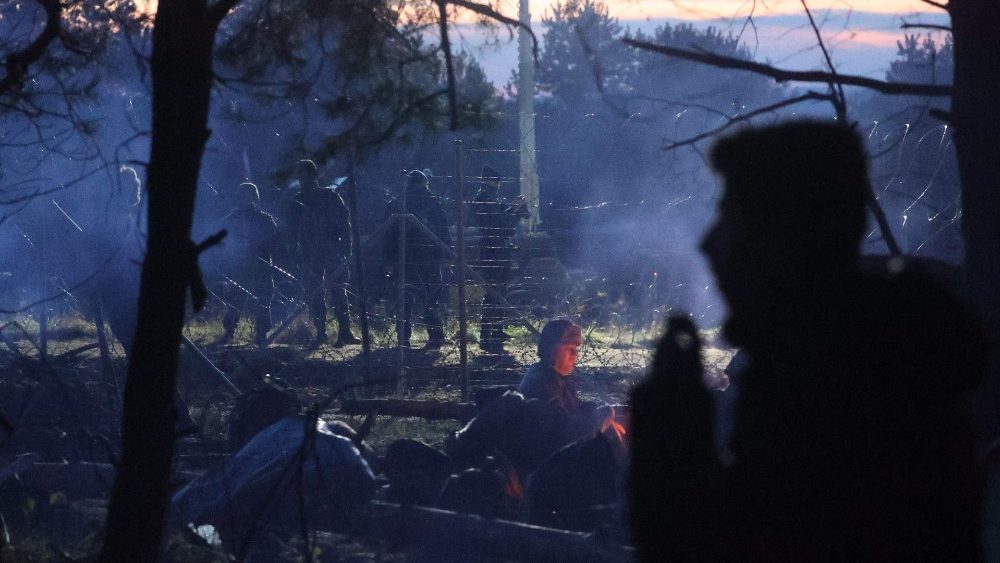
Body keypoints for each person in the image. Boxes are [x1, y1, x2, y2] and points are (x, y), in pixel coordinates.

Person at [629, 121, 987, 561]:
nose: (707, 243)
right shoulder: (884, 359)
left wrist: (671, 431)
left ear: (781, 238)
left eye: (731, 217)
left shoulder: (830, 389)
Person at [287, 159, 361, 347]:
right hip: (310, 252)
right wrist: (295, 253)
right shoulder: (298, 201)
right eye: (301, 175)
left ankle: (344, 332)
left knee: (337, 291)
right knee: (316, 293)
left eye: (305, 175)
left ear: (313, 175)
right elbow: (292, 230)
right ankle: (321, 333)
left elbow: (345, 223)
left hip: (330, 249)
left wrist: (346, 248)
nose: (303, 179)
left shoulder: (329, 196)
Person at [382, 169, 451, 349]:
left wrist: (388, 260)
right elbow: (443, 231)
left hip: (404, 258)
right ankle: (436, 336)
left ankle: (403, 339)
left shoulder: (397, 204)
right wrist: (445, 254)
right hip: (429, 257)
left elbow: (387, 236)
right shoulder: (432, 204)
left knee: (404, 299)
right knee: (430, 298)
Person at [472, 166, 530, 354]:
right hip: (492, 250)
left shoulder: (492, 199)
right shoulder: (483, 199)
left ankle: (496, 330)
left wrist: (515, 209)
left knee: (500, 291)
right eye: (496, 182)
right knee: (493, 292)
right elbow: (496, 224)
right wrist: (512, 209)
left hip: (500, 249)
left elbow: (505, 221)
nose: (497, 186)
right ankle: (487, 335)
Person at [216, 181, 279, 346]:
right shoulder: (231, 219)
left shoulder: (264, 219)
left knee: (264, 298)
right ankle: (229, 331)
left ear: (254, 197)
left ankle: (261, 333)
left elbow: (274, 242)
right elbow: (223, 242)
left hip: (261, 265)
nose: (246, 199)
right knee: (236, 299)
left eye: (249, 195)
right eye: (243, 195)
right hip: (241, 266)